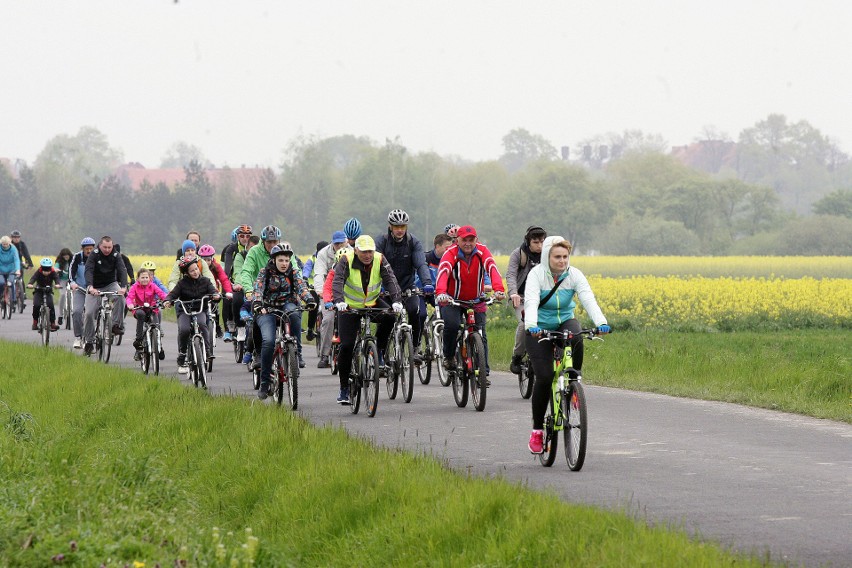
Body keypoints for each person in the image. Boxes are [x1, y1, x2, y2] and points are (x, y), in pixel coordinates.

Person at [524, 236, 610, 454]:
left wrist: (601, 322)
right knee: (544, 377)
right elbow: (532, 301)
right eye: (557, 257)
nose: (562, 261)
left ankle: (573, 380)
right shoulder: (536, 275)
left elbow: (588, 298)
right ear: (547, 257)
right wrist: (532, 325)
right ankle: (537, 431)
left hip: (564, 322)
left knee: (577, 334)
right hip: (539, 329)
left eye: (565, 257)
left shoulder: (574, 275)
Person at [331, 235, 403, 404]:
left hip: (372, 301)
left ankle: (378, 349)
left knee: (390, 316)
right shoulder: (346, 259)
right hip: (349, 306)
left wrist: (397, 300)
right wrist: (339, 301)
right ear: (356, 250)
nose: (367, 255)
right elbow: (338, 281)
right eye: (363, 252)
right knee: (347, 345)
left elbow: (391, 280)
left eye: (370, 251)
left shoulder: (379, 259)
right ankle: (343, 389)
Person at [434, 225, 505, 371]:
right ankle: (449, 357)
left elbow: (491, 267)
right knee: (452, 326)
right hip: (452, 300)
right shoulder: (450, 253)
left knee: (480, 332)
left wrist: (498, 289)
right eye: (464, 240)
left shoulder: (482, 251)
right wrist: (441, 292)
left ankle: (483, 372)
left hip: (476, 300)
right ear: (457, 241)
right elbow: (444, 271)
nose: (468, 243)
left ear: (476, 240)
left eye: (471, 240)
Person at [252, 243, 316, 399]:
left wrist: (309, 299)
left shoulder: (293, 272)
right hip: (267, 309)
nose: (284, 264)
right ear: (274, 260)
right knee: (268, 341)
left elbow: (301, 287)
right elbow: (258, 289)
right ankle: (265, 382)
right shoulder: (265, 272)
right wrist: (258, 304)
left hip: (287, 306)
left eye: (287, 260)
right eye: (281, 260)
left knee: (294, 314)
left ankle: (296, 353)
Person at [374, 209, 434, 361]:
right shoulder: (381, 242)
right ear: (390, 226)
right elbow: (374, 265)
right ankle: (379, 352)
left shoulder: (413, 242)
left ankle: (414, 349)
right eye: (396, 226)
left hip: (407, 286)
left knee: (416, 312)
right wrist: (377, 288)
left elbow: (421, 264)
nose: (400, 230)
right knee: (388, 318)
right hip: (386, 289)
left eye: (402, 226)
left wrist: (427, 283)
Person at [163, 256, 220, 374]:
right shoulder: (182, 283)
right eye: (192, 270)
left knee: (202, 324)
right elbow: (173, 294)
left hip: (200, 310)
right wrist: (168, 300)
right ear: (187, 273)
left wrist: (215, 295)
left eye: (196, 269)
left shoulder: (205, 281)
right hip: (185, 311)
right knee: (184, 330)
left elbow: (213, 291)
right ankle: (182, 354)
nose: (195, 272)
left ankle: (208, 352)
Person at [237, 225, 282, 368]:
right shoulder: (254, 252)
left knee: (292, 316)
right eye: (269, 242)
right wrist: (249, 291)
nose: (272, 245)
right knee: (256, 321)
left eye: (275, 242)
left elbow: (295, 270)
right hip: (259, 294)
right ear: (263, 242)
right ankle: (256, 352)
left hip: (280, 294)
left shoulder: (284, 251)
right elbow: (246, 272)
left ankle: (294, 352)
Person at [507, 226, 547, 374]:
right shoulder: (519, 254)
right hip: (522, 298)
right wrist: (513, 293)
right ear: (528, 241)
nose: (540, 246)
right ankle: (517, 356)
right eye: (536, 242)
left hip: (543, 298)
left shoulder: (548, 255)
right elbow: (511, 275)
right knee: (525, 324)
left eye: (542, 242)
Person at [313, 229, 352, 368]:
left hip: (347, 293)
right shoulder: (323, 254)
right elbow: (318, 273)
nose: (340, 247)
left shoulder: (353, 252)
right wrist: (320, 291)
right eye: (337, 244)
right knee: (328, 319)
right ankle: (325, 354)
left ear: (347, 243)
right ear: (332, 244)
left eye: (342, 244)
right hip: (327, 291)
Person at [82, 236, 128, 355]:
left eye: (109, 247)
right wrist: (90, 287)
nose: (107, 250)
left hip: (110, 284)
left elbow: (122, 270)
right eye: (105, 247)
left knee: (120, 297)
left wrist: (123, 287)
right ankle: (89, 341)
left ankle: (116, 325)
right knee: (89, 313)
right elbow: (88, 270)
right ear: (100, 245)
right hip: (95, 286)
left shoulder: (116, 255)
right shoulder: (94, 254)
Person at [125, 267, 168, 360]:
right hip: (139, 308)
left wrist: (167, 300)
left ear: (150, 278)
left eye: (146, 277)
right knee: (141, 315)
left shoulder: (153, 286)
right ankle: (139, 341)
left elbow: (161, 294)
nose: (145, 279)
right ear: (138, 279)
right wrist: (130, 304)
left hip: (151, 308)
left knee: (156, 328)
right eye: (142, 278)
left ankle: (159, 347)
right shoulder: (135, 287)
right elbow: (129, 297)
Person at [221, 224, 252, 341]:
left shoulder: (254, 248)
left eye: (248, 236)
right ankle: (228, 328)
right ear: (238, 237)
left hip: (250, 280)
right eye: (242, 236)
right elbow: (228, 265)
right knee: (228, 297)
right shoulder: (231, 249)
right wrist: (227, 280)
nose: (245, 238)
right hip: (234, 279)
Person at [198, 244, 233, 339]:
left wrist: (228, 291)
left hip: (213, 292)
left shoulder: (216, 267)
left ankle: (217, 327)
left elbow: (224, 279)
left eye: (208, 260)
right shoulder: (196, 267)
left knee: (214, 309)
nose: (206, 262)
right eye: (204, 260)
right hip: (199, 293)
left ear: (212, 259)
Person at [68, 237, 96, 348]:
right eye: (87, 249)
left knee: (94, 313)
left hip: (94, 290)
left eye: (91, 249)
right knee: (76, 312)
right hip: (80, 289)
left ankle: (96, 334)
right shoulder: (77, 257)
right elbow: (71, 272)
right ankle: (78, 337)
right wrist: (72, 283)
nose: (89, 251)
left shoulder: (97, 258)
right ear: (82, 249)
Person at [302, 239, 328, 342]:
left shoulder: (330, 257)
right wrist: (305, 278)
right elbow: (307, 269)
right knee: (314, 305)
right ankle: (310, 329)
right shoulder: (312, 258)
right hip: (313, 287)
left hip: (326, 287)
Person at [27, 258, 61, 330]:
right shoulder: (38, 272)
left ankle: (52, 323)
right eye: (44, 270)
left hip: (48, 291)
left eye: (48, 271)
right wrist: (30, 284)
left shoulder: (53, 272)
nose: (46, 273)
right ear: (41, 268)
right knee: (36, 305)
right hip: (38, 290)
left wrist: (57, 284)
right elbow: (33, 278)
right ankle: (35, 322)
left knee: (51, 305)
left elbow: (56, 278)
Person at [9, 230, 32, 308]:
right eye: (14, 237)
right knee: (9, 280)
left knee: (20, 279)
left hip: (19, 262)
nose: (16, 239)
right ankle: (10, 295)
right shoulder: (9, 244)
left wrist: (30, 264)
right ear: (11, 238)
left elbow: (26, 254)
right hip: (9, 263)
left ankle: (23, 294)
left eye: (18, 237)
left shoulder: (22, 244)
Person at [0, 235, 22, 310]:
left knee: (11, 282)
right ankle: (1, 296)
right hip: (1, 269)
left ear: (9, 243)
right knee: (1, 282)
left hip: (11, 269)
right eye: (3, 244)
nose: (5, 246)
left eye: (6, 244)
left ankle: (13, 300)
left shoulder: (13, 249)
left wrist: (17, 270)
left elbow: (16, 260)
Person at [54, 248, 73, 326]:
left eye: (67, 256)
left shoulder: (72, 261)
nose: (66, 258)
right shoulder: (59, 262)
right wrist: (57, 270)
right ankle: (60, 315)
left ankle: (72, 309)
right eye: (64, 256)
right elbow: (55, 268)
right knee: (62, 295)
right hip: (62, 280)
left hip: (71, 281)